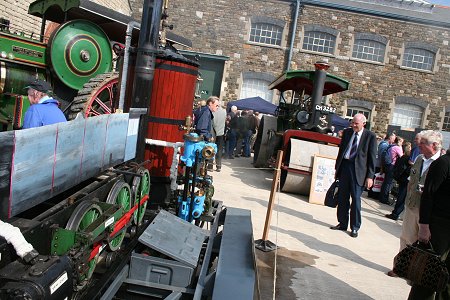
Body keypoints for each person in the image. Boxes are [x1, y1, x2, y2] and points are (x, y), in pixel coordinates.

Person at [408, 144, 450, 300]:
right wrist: (424, 226)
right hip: (439, 226)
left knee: (447, 278)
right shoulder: (443, 163)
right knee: (429, 275)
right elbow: (428, 195)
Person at [330, 113, 377, 238]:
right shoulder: (347, 133)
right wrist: (337, 169)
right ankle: (342, 223)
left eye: (356, 123)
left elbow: (372, 158)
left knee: (356, 199)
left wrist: (370, 176)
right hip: (345, 168)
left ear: (363, 123)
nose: (353, 125)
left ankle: (355, 227)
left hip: (359, 172)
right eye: (353, 123)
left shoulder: (370, 136)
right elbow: (341, 151)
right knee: (342, 198)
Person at [385, 141, 412, 220]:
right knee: (402, 197)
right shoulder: (407, 159)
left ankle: (395, 213)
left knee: (401, 196)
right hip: (405, 180)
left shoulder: (402, 157)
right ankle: (396, 213)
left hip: (401, 179)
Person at [379, 136, 403, 204]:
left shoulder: (390, 146)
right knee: (388, 183)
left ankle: (381, 197)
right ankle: (384, 199)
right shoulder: (397, 148)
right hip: (392, 166)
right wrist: (401, 147)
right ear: (398, 141)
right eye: (401, 142)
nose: (402, 143)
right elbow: (402, 156)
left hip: (387, 165)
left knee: (385, 182)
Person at [211, 98, 226, 171]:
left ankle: (210, 166)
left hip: (213, 132)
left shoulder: (213, 112)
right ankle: (218, 166)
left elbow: (213, 122)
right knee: (219, 150)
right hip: (221, 133)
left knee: (211, 148)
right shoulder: (224, 112)